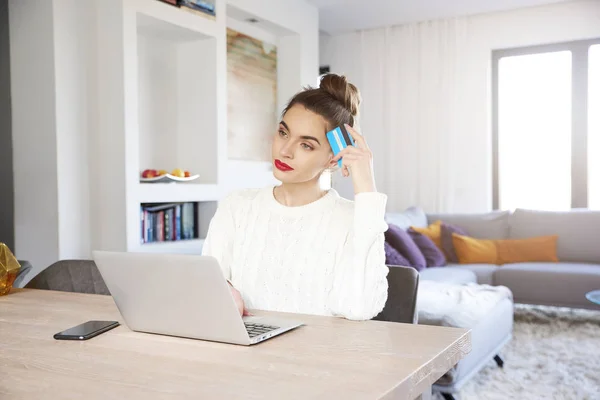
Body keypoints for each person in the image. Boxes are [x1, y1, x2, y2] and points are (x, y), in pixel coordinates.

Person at [201, 73, 389, 321]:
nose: (285, 150)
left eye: (306, 145)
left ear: (334, 158)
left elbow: (358, 308)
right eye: (283, 133)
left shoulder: (352, 219)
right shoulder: (237, 206)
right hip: (243, 353)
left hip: (315, 356)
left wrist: (366, 186)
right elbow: (206, 290)